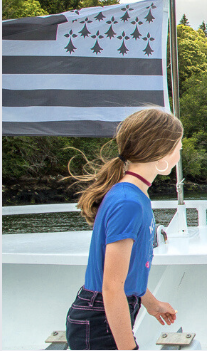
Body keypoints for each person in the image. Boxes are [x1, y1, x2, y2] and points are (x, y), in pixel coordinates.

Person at [66, 108, 183, 350]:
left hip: (105, 313)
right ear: (160, 152)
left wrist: (150, 302)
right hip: (100, 319)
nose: (180, 152)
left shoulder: (133, 195)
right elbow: (111, 286)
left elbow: (127, 272)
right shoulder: (128, 202)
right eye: (178, 147)